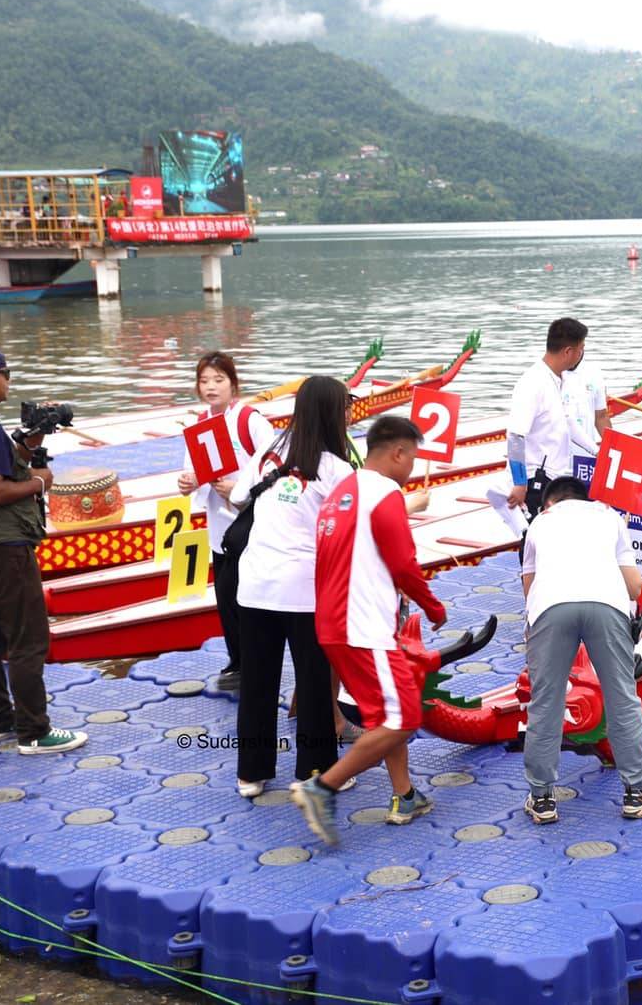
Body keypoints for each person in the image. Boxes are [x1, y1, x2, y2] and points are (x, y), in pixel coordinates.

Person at [290, 417, 449, 844]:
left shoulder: (341, 491)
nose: (413, 468)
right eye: (412, 458)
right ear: (398, 453)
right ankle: (320, 788)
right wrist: (434, 608)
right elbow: (403, 565)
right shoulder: (385, 494)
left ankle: (406, 795)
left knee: (383, 715)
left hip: (332, 624)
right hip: (364, 627)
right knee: (404, 718)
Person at [0, 346, 86, 753]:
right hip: (2, 549)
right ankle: (35, 732)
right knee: (28, 640)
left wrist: (29, 441)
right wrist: (40, 482)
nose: (8, 380)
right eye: (4, 373)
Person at [230, 375, 357, 798]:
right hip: (304, 589)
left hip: (255, 584)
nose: (350, 412)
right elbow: (347, 531)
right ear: (331, 413)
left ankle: (251, 773)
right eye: (345, 405)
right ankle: (315, 770)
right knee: (316, 681)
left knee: (258, 682)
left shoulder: (270, 454)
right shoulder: (337, 469)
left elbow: (236, 498)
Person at [518, 475, 642, 823]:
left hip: (550, 608)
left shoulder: (540, 522)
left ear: (549, 502)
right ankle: (638, 791)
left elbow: (529, 587)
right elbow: (633, 587)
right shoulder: (610, 517)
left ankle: (541, 798)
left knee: (546, 701)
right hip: (606, 605)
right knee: (622, 697)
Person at [175, 352, 276, 690]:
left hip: (249, 521)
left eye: (218, 380)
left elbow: (276, 467)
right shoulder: (198, 423)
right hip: (218, 523)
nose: (211, 387)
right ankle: (238, 661)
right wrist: (189, 482)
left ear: (234, 384)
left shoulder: (250, 421)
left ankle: (256, 662)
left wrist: (239, 488)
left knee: (243, 592)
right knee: (224, 594)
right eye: (204, 381)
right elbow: (192, 468)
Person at [506, 318, 583, 519]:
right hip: (534, 481)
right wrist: (520, 483)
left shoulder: (559, 380)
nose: (582, 354)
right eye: (581, 349)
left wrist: (598, 451)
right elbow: (515, 436)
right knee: (533, 540)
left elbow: (569, 425)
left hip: (556, 477)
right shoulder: (533, 382)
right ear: (568, 352)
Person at [562, 353, 611, 461]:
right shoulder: (549, 376)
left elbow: (601, 417)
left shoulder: (594, 374)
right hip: (555, 464)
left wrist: (614, 449)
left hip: (586, 458)